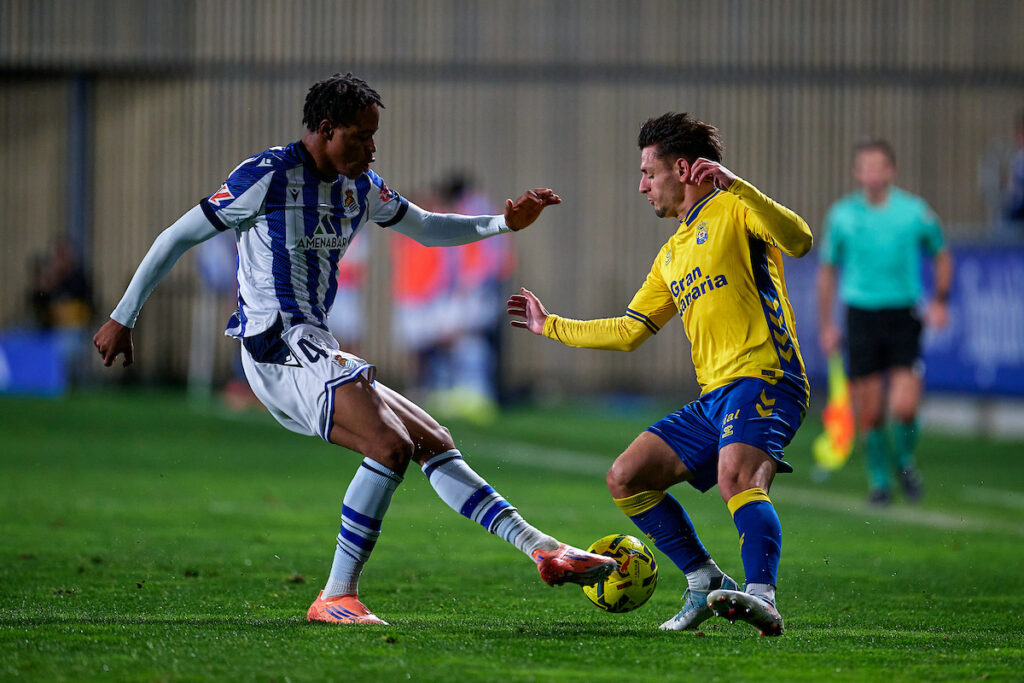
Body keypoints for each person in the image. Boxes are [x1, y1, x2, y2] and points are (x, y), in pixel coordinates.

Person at [93, 72, 615, 625]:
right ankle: (336, 596)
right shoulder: (267, 177)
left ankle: (541, 547)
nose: (371, 148)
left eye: (374, 137)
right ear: (325, 129)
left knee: (430, 439)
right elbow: (176, 236)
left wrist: (503, 223)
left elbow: (427, 227)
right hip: (274, 345)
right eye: (361, 136)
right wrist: (123, 317)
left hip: (314, 343)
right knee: (389, 446)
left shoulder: (359, 187)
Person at [508, 112, 813, 636]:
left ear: (682, 168)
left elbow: (801, 239)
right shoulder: (672, 253)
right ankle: (702, 581)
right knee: (627, 478)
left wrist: (738, 185)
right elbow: (629, 330)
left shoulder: (735, 208)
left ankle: (762, 596)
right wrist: (549, 325)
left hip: (767, 376)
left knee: (736, 477)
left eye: (649, 173)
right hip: (715, 395)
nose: (641, 185)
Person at [817, 139, 952, 507]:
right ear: (857, 173)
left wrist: (940, 300)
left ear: (891, 171)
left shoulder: (915, 213)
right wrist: (827, 324)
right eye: (866, 166)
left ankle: (905, 460)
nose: (873, 174)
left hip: (902, 315)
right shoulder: (842, 216)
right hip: (860, 315)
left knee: (905, 408)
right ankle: (879, 482)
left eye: (880, 166)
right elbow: (827, 271)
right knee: (872, 411)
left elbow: (941, 254)